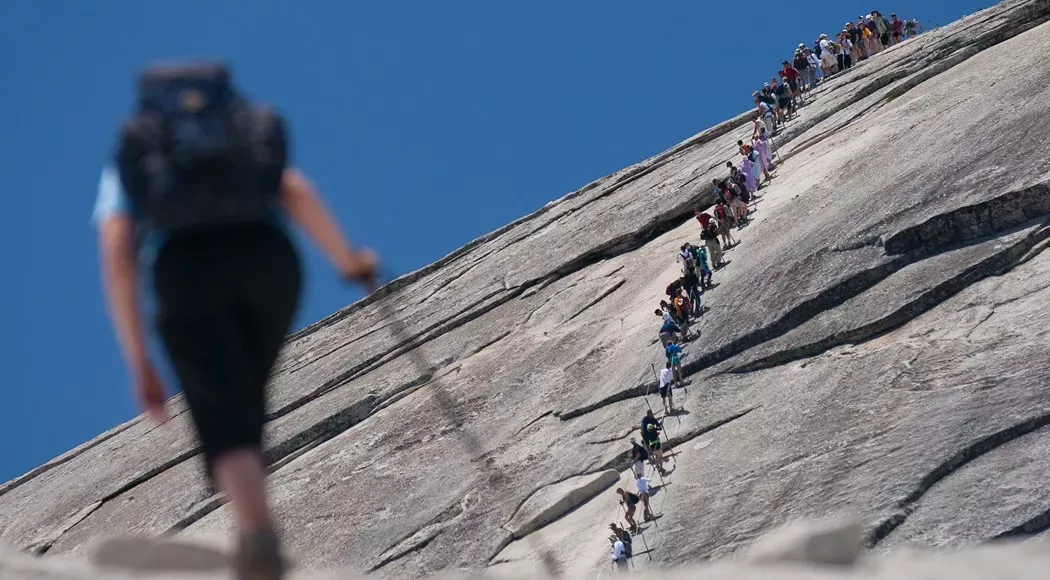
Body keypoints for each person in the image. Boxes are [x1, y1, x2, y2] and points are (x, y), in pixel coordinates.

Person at [94, 62, 377, 580]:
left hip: (186, 270)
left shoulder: (137, 154)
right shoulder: (241, 138)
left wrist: (139, 362)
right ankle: (256, 525)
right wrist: (348, 261)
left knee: (224, 416)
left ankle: (258, 538)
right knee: (246, 397)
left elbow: (116, 242)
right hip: (269, 260)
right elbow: (292, 188)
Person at [641, 410, 665, 474]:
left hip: (647, 435)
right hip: (647, 435)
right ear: (651, 414)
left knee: (648, 447)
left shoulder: (645, 419)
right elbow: (658, 426)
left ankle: (652, 459)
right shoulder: (648, 419)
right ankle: (659, 465)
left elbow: (657, 424)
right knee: (658, 455)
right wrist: (661, 423)